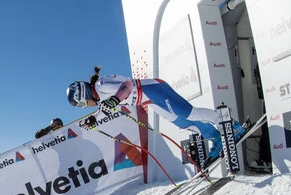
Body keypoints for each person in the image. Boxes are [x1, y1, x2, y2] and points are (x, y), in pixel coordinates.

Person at [69, 66, 246, 159]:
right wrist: (93, 120)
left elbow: (128, 86)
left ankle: (230, 124)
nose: (86, 106)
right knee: (182, 122)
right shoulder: (100, 96)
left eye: (82, 103)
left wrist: (115, 99)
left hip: (154, 90)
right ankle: (216, 137)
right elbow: (103, 110)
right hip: (149, 100)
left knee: (190, 113)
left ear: (84, 94)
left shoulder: (101, 85)